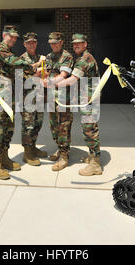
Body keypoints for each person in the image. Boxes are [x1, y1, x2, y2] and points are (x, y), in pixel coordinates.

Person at [0, 25, 44, 180]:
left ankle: (4, 157)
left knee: (8, 128)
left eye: (15, 38)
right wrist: (33, 68)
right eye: (10, 36)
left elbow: (17, 70)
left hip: (9, 95)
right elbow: (14, 62)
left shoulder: (9, 51)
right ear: (4, 35)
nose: (13, 39)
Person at [55, 34, 102, 176]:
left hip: (89, 101)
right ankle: (92, 157)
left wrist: (51, 84)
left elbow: (72, 80)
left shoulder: (85, 59)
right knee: (88, 129)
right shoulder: (82, 58)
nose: (76, 46)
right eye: (74, 44)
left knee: (90, 130)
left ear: (85, 44)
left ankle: (96, 165)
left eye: (79, 44)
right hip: (86, 99)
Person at [42, 32, 75, 171]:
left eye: (55, 42)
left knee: (63, 127)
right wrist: (43, 75)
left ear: (61, 42)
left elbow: (63, 75)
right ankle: (60, 149)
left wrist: (49, 81)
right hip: (51, 98)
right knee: (54, 126)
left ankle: (64, 156)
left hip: (64, 99)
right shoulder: (49, 57)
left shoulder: (66, 56)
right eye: (51, 43)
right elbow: (46, 71)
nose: (53, 45)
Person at [20, 32, 48, 166]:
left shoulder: (39, 57)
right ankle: (27, 153)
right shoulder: (22, 59)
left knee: (38, 124)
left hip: (39, 97)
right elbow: (22, 79)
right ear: (24, 44)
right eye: (29, 42)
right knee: (28, 125)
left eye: (34, 42)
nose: (32, 44)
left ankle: (33, 147)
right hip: (27, 98)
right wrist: (38, 70)